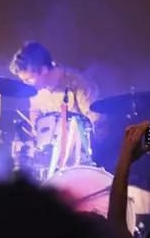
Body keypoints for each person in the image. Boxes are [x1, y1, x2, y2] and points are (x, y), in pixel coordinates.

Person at [9, 40, 99, 173]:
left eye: (28, 80)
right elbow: (35, 120)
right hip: (49, 160)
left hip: (78, 161)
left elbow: (96, 123)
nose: (26, 84)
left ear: (43, 70)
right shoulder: (35, 92)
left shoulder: (78, 84)